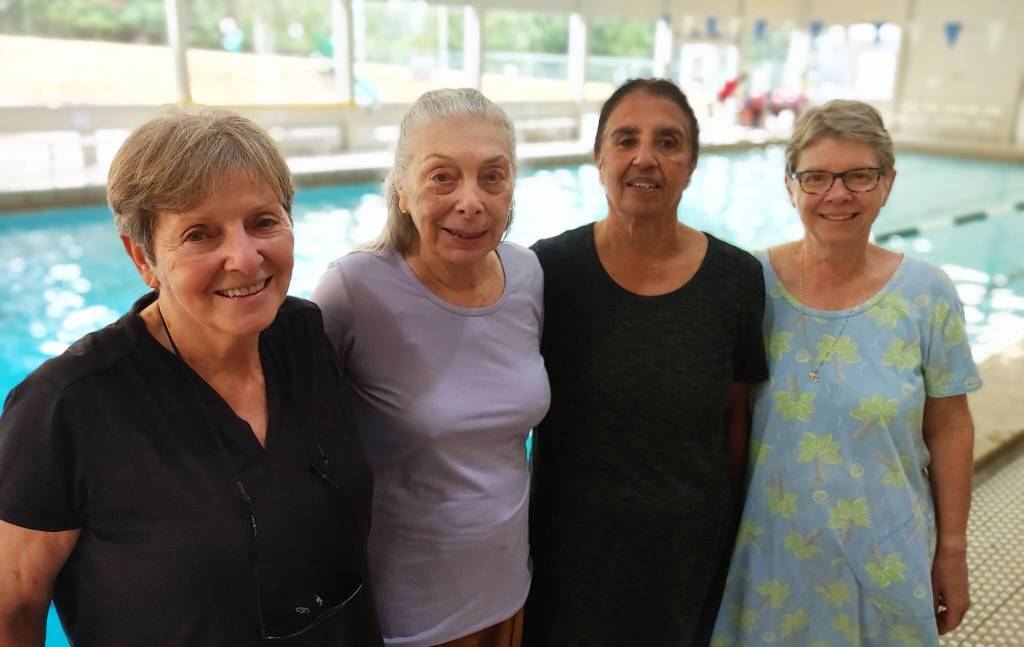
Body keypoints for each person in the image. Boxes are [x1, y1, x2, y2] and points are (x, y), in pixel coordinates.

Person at [0, 110, 383, 646]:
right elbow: (11, 612)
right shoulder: (66, 407)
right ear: (143, 257)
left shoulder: (303, 336)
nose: (245, 258)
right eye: (200, 234)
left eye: (263, 221)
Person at [711, 100, 980, 646]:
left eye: (858, 175)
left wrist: (952, 550)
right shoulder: (748, 283)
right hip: (771, 558)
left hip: (889, 554)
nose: (837, 194)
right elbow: (723, 415)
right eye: (816, 177)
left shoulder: (927, 294)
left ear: (887, 183)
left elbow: (950, 426)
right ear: (791, 186)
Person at [524, 78, 769, 647]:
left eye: (668, 142)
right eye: (626, 139)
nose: (645, 158)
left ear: (691, 163)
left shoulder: (736, 279)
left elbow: (735, 419)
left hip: (685, 555)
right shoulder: (550, 270)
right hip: (568, 551)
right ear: (599, 157)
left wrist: (727, 532)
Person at [311, 88, 549, 647]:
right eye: (443, 176)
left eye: (493, 176)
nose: (471, 201)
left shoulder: (528, 275)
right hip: (407, 613)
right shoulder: (353, 290)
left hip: (509, 589)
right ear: (400, 190)